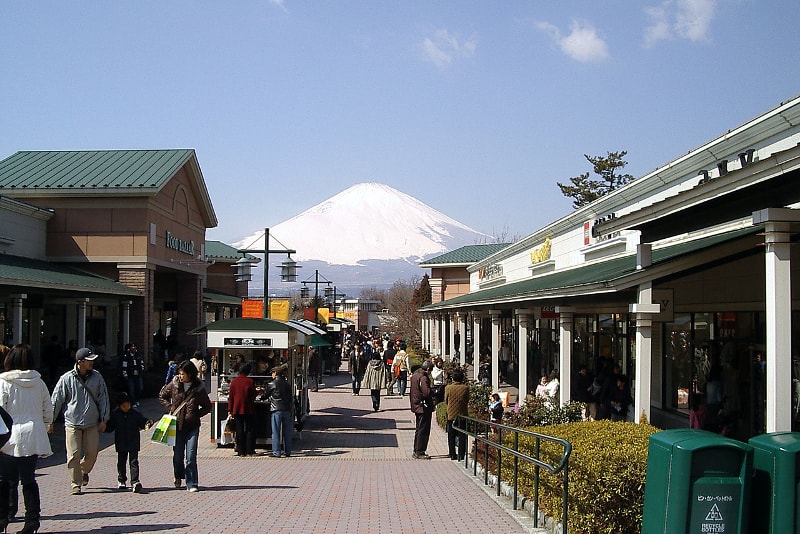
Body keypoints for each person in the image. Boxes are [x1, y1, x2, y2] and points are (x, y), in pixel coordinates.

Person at [0, 344, 53, 533]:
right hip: (34, 433)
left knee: (4, 479)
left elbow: (0, 411)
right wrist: (46, 424)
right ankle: (32, 519)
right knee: (28, 479)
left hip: (9, 436)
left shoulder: (4, 382)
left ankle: (3, 517)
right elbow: (48, 408)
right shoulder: (38, 381)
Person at [50, 347, 110, 496]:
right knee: (73, 455)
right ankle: (75, 484)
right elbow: (56, 400)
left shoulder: (97, 377)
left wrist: (104, 418)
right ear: (80, 362)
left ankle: (83, 470)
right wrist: (49, 420)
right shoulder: (67, 378)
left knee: (92, 453)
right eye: (89, 360)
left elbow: (104, 398)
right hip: (72, 422)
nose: (92, 363)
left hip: (91, 422)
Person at [158, 360, 211, 492]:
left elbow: (207, 406)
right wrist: (170, 408)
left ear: (190, 374)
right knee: (178, 456)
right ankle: (178, 475)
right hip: (176, 426)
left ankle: (192, 483)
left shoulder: (198, 387)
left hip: (192, 426)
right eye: (179, 373)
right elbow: (162, 396)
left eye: (183, 374)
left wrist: (195, 414)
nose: (180, 376)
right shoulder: (174, 384)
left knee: (191, 456)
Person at [104, 392, 153, 493]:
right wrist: (104, 427)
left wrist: (148, 423)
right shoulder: (115, 414)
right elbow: (110, 427)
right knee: (121, 461)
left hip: (133, 441)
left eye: (128, 405)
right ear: (119, 406)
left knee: (134, 462)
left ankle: (135, 481)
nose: (127, 408)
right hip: (121, 441)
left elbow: (142, 422)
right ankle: (121, 480)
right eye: (124, 406)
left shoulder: (135, 413)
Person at [228, 363, 256, 456]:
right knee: (249, 429)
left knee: (239, 430)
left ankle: (241, 451)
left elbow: (231, 397)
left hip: (236, 408)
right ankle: (250, 449)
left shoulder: (234, 382)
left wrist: (229, 410)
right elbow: (253, 394)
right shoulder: (250, 381)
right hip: (248, 408)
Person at [265, 364, 293, 458]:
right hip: (287, 409)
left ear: (276, 373)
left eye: (272, 373)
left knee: (276, 432)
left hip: (276, 409)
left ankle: (276, 452)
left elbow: (265, 395)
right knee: (287, 432)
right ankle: (287, 451)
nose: (271, 375)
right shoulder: (287, 384)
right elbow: (290, 397)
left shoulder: (271, 384)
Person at [410, 360, 435, 459]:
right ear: (428, 369)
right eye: (431, 370)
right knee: (423, 430)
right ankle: (420, 451)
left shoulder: (415, 375)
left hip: (416, 405)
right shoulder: (423, 378)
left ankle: (416, 450)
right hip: (423, 407)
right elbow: (426, 393)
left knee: (419, 429)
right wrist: (433, 390)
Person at [444, 369, 469, 461]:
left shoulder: (448, 388)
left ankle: (452, 454)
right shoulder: (465, 388)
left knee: (451, 435)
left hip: (451, 414)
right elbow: (467, 400)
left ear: (453, 378)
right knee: (462, 435)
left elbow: (446, 400)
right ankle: (461, 454)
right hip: (463, 414)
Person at [120, 343, 144, 408]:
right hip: (131, 375)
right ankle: (133, 402)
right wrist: (125, 374)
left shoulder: (138, 355)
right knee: (131, 390)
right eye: (132, 346)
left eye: (134, 346)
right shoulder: (126, 356)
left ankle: (137, 400)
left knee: (140, 388)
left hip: (138, 375)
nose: (133, 348)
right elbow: (124, 366)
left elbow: (141, 363)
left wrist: (141, 369)